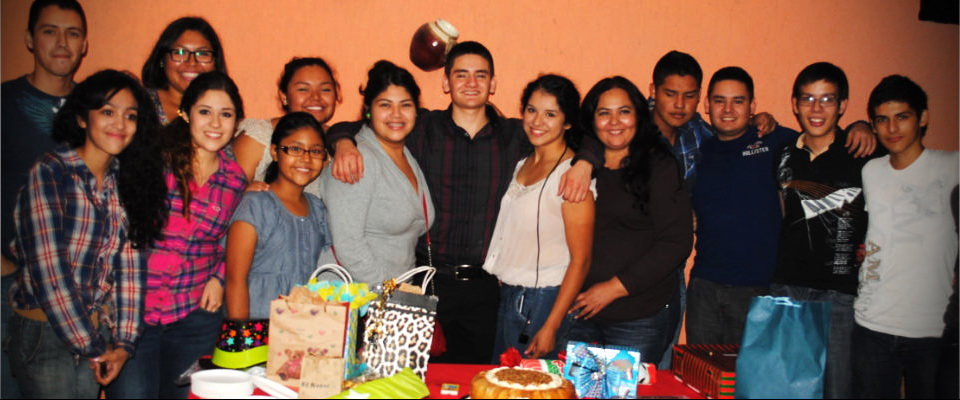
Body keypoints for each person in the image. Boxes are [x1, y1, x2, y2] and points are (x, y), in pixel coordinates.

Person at [327, 41, 600, 363]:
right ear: (446, 82)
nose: (471, 83)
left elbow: (580, 133)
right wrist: (342, 142)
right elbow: (362, 124)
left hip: (485, 290)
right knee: (420, 377)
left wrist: (585, 161)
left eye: (480, 75)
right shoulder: (421, 128)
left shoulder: (516, 135)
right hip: (428, 282)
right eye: (461, 75)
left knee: (479, 376)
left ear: (492, 84)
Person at [6, 69, 166, 398]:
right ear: (81, 118)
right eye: (107, 112)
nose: (120, 124)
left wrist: (123, 345)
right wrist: (94, 346)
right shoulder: (51, 173)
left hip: (97, 332)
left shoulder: (125, 181)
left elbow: (130, 270)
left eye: (130, 115)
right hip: (45, 331)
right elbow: (50, 275)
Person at [108, 71, 247, 399]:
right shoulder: (153, 162)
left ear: (237, 122)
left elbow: (234, 240)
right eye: (205, 112)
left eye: (226, 114)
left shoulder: (235, 181)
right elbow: (117, 230)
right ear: (186, 114)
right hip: (133, 316)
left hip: (193, 316)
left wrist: (220, 278)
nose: (215, 123)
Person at [771, 62, 880, 399]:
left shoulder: (863, 152)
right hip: (789, 286)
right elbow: (784, 213)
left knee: (837, 387)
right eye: (808, 99)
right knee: (787, 388)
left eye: (827, 99)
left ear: (843, 105)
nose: (816, 109)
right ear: (795, 104)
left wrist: (865, 126)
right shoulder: (784, 153)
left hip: (839, 292)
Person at [567, 76, 692, 365]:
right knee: (577, 388)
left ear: (638, 115)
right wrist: (584, 161)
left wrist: (612, 289)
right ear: (592, 119)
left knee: (628, 390)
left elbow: (676, 243)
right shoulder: (577, 162)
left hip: (638, 317)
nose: (614, 122)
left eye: (624, 111)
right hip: (579, 312)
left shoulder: (659, 165)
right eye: (604, 113)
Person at [1, 1, 89, 396]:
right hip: (10, 283)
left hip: (78, 291)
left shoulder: (97, 109)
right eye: (50, 31)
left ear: (84, 45)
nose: (62, 42)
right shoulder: (5, 103)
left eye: (73, 33)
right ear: (29, 39)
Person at [852, 75, 959, 398]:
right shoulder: (871, 171)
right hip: (871, 322)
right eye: (882, 120)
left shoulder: (951, 167)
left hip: (931, 330)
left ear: (923, 117)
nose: (892, 128)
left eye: (902, 117)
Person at [483, 74, 595, 360]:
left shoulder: (572, 176)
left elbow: (581, 260)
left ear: (567, 122)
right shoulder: (523, 163)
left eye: (550, 114)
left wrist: (552, 325)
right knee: (502, 380)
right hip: (511, 295)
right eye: (532, 110)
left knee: (530, 382)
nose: (537, 121)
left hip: (545, 300)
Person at [686, 67, 798, 345]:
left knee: (751, 372)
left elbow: (822, 136)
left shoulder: (774, 141)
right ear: (707, 105)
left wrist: (859, 128)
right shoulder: (700, 150)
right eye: (719, 101)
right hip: (705, 285)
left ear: (752, 106)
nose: (728, 109)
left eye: (738, 101)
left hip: (758, 288)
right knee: (701, 369)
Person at [321, 60, 434, 286]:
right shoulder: (357, 158)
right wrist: (392, 290)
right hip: (355, 295)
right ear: (368, 110)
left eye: (405, 105)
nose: (396, 114)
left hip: (394, 292)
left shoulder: (408, 156)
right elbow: (349, 246)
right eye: (385, 105)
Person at [226, 112, 335, 321]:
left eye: (315, 151)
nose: (306, 158)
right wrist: (242, 335)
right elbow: (235, 280)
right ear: (275, 152)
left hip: (302, 329)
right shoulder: (255, 204)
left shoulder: (317, 208)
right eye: (295, 149)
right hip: (257, 326)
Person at [234, 57, 340, 194]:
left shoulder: (339, 140)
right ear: (284, 96)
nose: (315, 97)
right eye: (303, 89)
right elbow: (228, 194)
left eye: (325, 89)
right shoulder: (258, 136)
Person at [141, 16, 227, 125]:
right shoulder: (141, 104)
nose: (192, 62)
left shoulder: (226, 110)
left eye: (202, 53)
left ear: (215, 61)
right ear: (162, 59)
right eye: (180, 52)